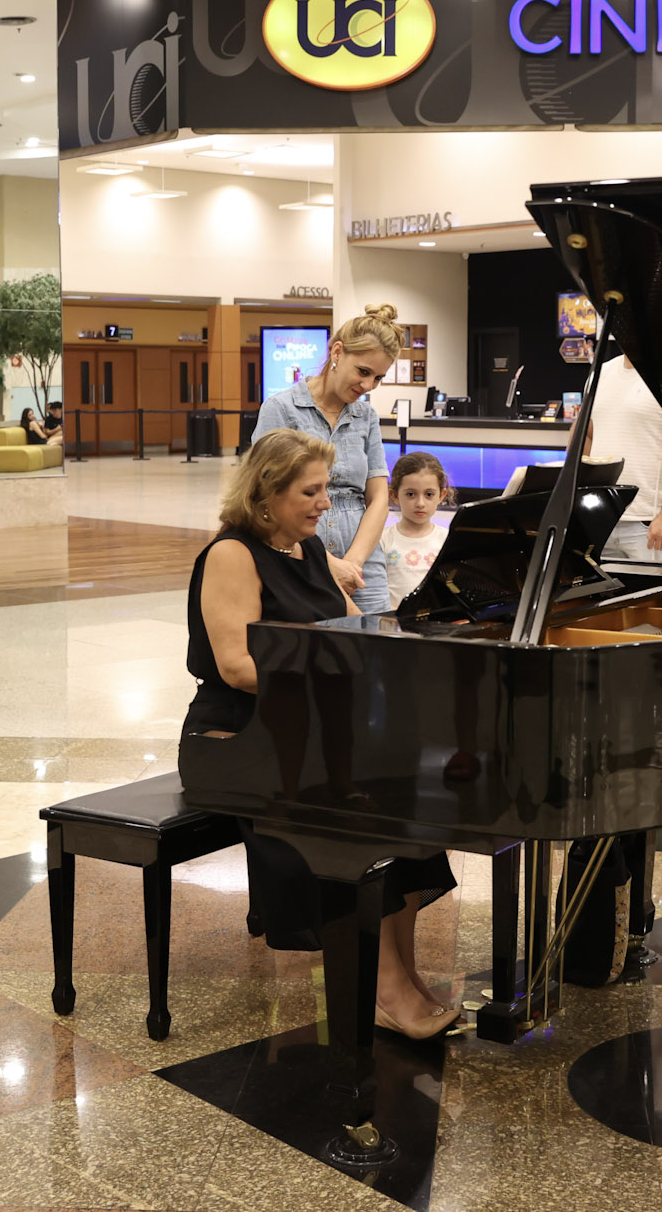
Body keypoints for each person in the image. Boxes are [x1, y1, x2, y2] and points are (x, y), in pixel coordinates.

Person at [185, 429, 458, 1038]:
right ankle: (382, 987)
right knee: (363, 813)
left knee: (411, 805)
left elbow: (353, 635)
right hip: (238, 735)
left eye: (325, 491)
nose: (324, 505)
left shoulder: (308, 551)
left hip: (308, 727)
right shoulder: (232, 553)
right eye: (310, 492)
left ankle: (402, 972)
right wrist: (333, 683)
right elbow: (236, 667)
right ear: (266, 494)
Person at [252, 303, 399, 611]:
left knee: (378, 649)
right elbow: (264, 495)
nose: (368, 385)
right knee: (318, 651)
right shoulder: (281, 409)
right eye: (363, 371)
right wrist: (325, 562)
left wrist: (354, 564)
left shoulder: (366, 416)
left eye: (378, 378)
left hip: (363, 560)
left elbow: (378, 499)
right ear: (337, 353)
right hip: (299, 552)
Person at [586, 350, 662, 561]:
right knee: (602, 594)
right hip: (601, 521)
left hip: (649, 526)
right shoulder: (601, 373)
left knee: (656, 594)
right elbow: (586, 436)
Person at [381, 451, 449, 601]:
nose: (420, 503)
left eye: (429, 494)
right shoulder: (382, 539)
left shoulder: (448, 540)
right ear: (394, 495)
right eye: (411, 494)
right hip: (392, 621)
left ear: (442, 495)